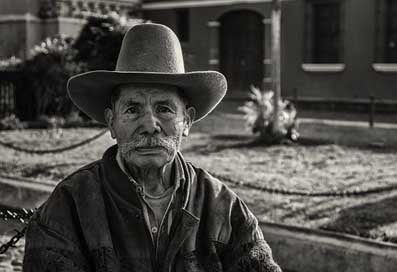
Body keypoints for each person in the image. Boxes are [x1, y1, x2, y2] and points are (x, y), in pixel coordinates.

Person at [23, 23, 282, 272]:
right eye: (133, 109)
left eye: (164, 108)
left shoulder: (223, 207)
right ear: (111, 123)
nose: (149, 125)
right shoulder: (69, 205)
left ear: (187, 121)